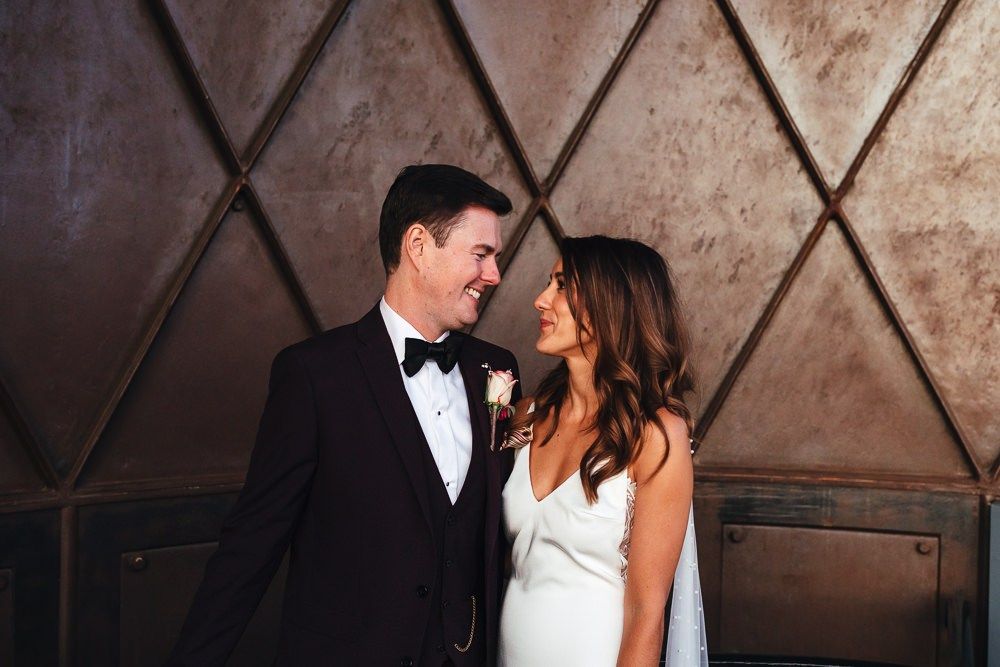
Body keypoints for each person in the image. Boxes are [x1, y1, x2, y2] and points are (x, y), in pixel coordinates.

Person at [167, 164, 521, 666]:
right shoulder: (314, 375)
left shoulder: (496, 369)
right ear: (418, 246)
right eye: (481, 254)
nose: (494, 275)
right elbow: (253, 543)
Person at [498, 235, 707, 666]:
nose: (540, 300)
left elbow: (646, 613)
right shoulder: (526, 417)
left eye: (561, 286)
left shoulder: (654, 436)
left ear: (609, 306)